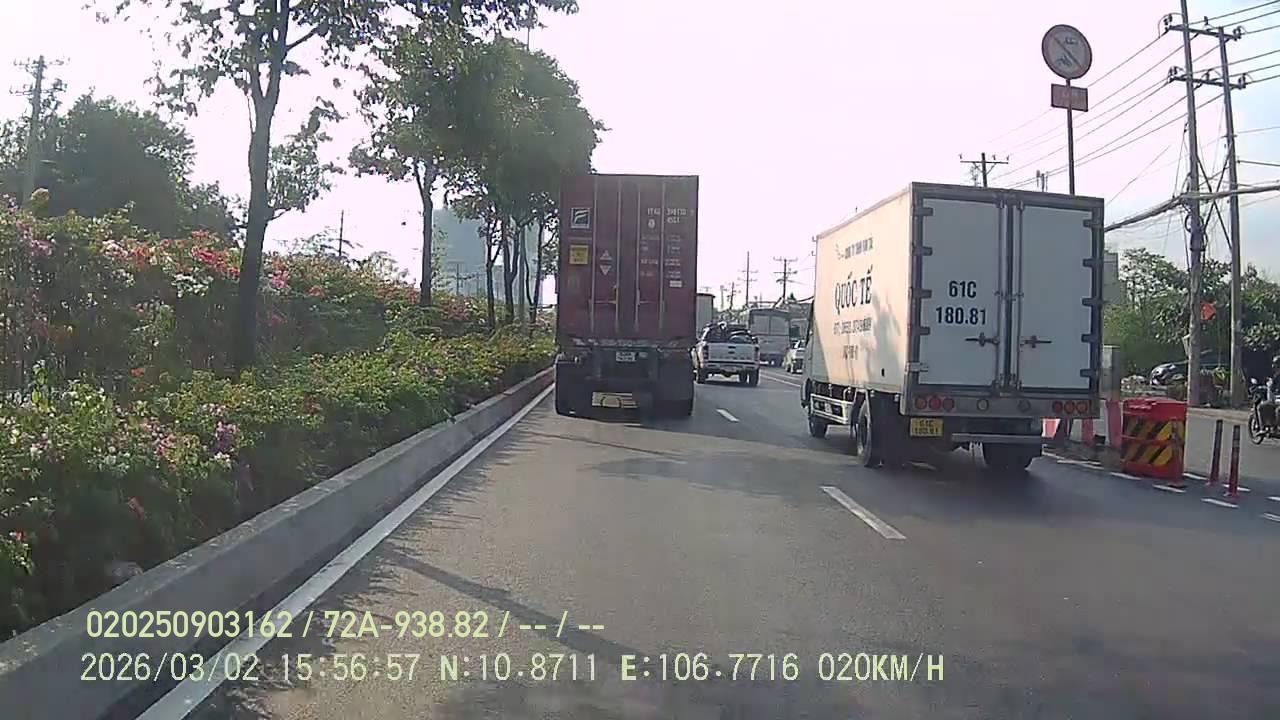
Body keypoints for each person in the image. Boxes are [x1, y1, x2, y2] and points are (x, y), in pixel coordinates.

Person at [1258, 355, 1280, 428]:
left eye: (1275, 365)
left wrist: (1267, 385)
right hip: (1277, 399)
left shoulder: (1277, 376)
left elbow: (1273, 388)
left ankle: (1263, 427)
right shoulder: (1276, 376)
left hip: (1277, 399)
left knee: (1261, 407)